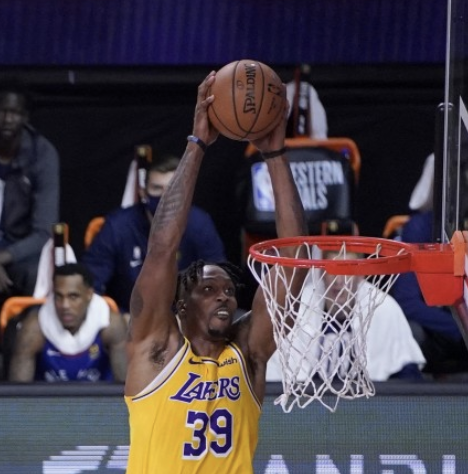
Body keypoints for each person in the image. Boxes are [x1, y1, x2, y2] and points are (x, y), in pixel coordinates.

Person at [124, 72, 307, 473]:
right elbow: (161, 251)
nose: (224, 295)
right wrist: (197, 144)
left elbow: (294, 259)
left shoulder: (247, 354)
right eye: (207, 289)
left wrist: (276, 154)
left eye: (228, 290)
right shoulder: (156, 350)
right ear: (180, 305)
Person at [81, 155, 226, 314]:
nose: (165, 197)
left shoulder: (199, 224)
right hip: (129, 318)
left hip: (185, 318)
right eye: (157, 188)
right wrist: (115, 317)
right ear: (143, 193)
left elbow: (217, 281)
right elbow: (89, 284)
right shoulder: (117, 226)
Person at [267, 249, 426, 383]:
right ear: (321, 272)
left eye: (347, 271)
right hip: (309, 404)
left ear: (360, 274)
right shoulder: (298, 306)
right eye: (333, 270)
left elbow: (408, 374)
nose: (338, 281)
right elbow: (274, 372)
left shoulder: (384, 307)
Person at [391, 153, 468, 376]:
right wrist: (460, 329)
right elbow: (407, 301)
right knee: (411, 331)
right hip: (441, 331)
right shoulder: (419, 228)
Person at [8, 263, 127, 382]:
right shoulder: (33, 329)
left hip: (99, 395)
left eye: (73, 297)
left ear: (89, 294)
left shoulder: (112, 325)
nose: (65, 305)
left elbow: (125, 385)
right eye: (59, 296)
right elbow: (19, 391)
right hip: (48, 395)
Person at [0, 78, 60, 305]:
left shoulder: (41, 154)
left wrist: (3, 258)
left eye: (14, 113)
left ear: (25, 117)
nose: (7, 119)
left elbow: (44, 231)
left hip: (19, 250)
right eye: (2, 111)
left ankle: (30, 327)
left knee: (39, 274)